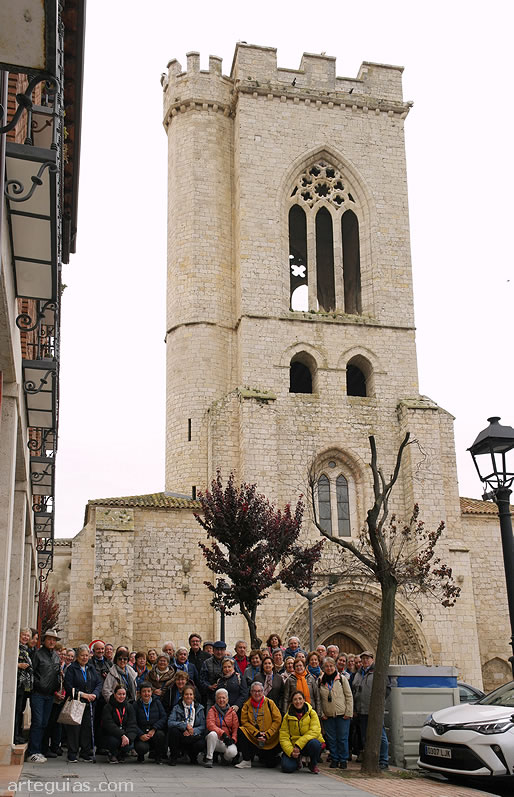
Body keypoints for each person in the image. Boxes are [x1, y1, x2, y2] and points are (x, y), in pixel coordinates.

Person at [63, 644, 102, 762]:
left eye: (86, 655)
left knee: (87, 727)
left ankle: (85, 752)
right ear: (77, 656)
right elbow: (68, 686)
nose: (84, 658)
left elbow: (99, 683)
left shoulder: (91, 668)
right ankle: (72, 753)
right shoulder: (72, 669)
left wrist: (95, 694)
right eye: (82, 655)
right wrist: (83, 694)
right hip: (77, 702)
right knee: (74, 728)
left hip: (89, 703)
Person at [27, 629, 62, 762]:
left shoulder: (55, 656)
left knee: (45, 723)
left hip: (50, 695)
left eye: (54, 639)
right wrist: (38, 684)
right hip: (38, 694)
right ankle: (33, 751)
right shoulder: (37, 654)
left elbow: (57, 673)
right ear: (44, 640)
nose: (52, 641)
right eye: (49, 639)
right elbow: (32, 672)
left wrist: (57, 687)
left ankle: (41, 749)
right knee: (38, 722)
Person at [352, 651, 389, 769]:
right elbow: (354, 691)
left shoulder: (378, 672)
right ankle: (370, 759)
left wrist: (378, 704)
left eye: (367, 658)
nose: (365, 661)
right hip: (361, 710)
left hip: (374, 710)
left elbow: (386, 689)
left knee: (381, 735)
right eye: (363, 659)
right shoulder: (358, 674)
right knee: (365, 736)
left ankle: (383, 760)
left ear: (372, 659)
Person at [235, 681, 281, 769]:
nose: (257, 693)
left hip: (269, 739)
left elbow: (277, 720)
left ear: (263, 692)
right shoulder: (247, 705)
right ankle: (246, 760)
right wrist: (257, 733)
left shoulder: (269, 703)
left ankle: (278, 757)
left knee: (270, 764)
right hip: (254, 738)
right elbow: (245, 722)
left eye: (259, 691)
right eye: (254, 691)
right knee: (241, 730)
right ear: (251, 692)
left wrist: (267, 734)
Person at [319, 656, 353, 769]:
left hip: (342, 714)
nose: (329, 668)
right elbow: (319, 699)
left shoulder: (342, 679)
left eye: (331, 666)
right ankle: (334, 758)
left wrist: (348, 712)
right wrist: (322, 713)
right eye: (326, 666)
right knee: (331, 739)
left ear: (335, 667)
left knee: (342, 738)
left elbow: (349, 696)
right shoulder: (320, 681)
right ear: (323, 668)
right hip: (328, 716)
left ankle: (343, 760)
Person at [279, 690, 323, 774]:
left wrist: (299, 745)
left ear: (304, 700)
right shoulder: (287, 716)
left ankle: (313, 764)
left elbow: (315, 731)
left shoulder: (312, 713)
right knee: (287, 768)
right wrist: (291, 751)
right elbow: (283, 736)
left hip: (307, 745)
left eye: (300, 699)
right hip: (293, 747)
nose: (298, 701)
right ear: (292, 702)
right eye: (295, 699)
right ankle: (297, 760)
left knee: (316, 743)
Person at [167, 685, 206, 765]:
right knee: (173, 731)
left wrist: (193, 731)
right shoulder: (177, 707)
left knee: (201, 742)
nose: (189, 696)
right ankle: (174, 756)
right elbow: (170, 722)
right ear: (183, 696)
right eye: (186, 694)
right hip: (181, 734)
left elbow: (203, 726)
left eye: (191, 694)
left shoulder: (200, 708)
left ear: (194, 696)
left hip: (193, 735)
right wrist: (185, 726)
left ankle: (193, 757)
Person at [102, 684, 139, 764]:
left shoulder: (129, 707)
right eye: (119, 694)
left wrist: (128, 737)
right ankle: (113, 754)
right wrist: (122, 735)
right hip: (112, 734)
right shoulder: (108, 707)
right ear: (114, 694)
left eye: (123, 694)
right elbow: (108, 724)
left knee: (129, 743)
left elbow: (132, 724)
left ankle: (122, 754)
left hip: (126, 734)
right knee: (113, 741)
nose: (121, 696)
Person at [204, 688, 239, 767]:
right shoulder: (212, 710)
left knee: (233, 752)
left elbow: (235, 728)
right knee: (212, 734)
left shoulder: (232, 712)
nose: (221, 700)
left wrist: (233, 739)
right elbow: (210, 724)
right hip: (215, 739)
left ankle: (225, 758)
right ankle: (209, 758)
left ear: (227, 699)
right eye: (219, 698)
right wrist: (222, 733)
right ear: (216, 699)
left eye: (223, 698)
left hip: (226, 740)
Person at [134, 683, 167, 764]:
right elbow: (132, 722)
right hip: (142, 733)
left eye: (148, 691)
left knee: (160, 735)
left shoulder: (157, 702)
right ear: (140, 693)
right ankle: (140, 756)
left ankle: (158, 757)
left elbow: (164, 717)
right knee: (141, 747)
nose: (146, 694)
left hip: (154, 731)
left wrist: (154, 728)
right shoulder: (135, 705)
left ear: (152, 692)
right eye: (144, 691)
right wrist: (141, 734)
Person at [14, 627, 33, 744]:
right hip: (17, 682)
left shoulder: (26, 649)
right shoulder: (16, 647)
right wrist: (18, 665)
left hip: (23, 685)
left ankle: (17, 734)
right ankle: (14, 736)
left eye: (27, 635)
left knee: (19, 711)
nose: (25, 637)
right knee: (16, 710)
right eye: (24, 635)